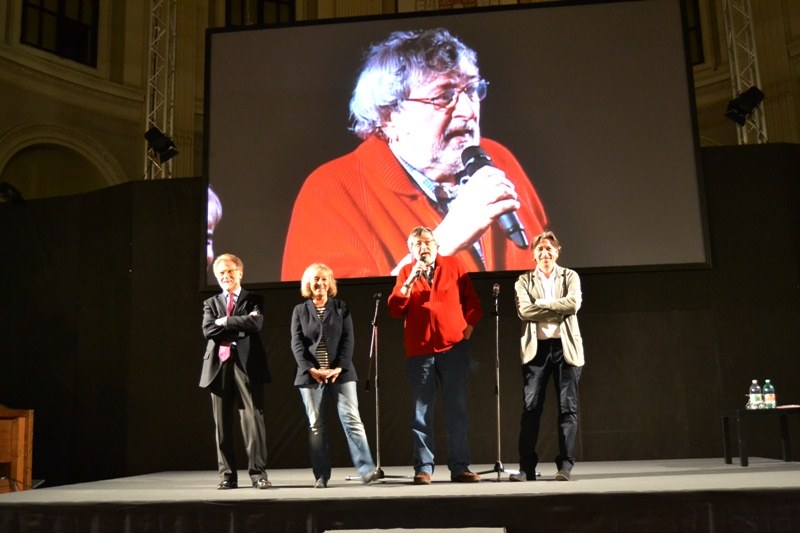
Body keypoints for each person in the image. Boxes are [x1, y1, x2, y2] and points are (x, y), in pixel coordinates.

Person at [281, 27, 548, 280]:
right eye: (444, 96)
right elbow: (337, 320)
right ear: (388, 115)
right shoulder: (331, 190)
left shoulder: (499, 160)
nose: (468, 110)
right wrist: (444, 242)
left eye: (471, 90)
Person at [387, 226, 483, 484]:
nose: (423, 247)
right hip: (420, 353)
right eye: (417, 244)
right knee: (421, 414)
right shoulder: (406, 272)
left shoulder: (453, 265)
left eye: (427, 242)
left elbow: (473, 303)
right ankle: (424, 469)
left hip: (453, 349)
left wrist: (467, 331)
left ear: (437, 245)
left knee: (457, 411)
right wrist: (407, 282)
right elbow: (395, 309)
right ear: (411, 250)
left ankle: (460, 468)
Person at [290, 263, 380, 488]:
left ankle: (367, 470)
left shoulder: (341, 307)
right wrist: (311, 369)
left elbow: (348, 340)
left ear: (330, 282)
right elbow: (297, 344)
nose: (319, 283)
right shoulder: (300, 311)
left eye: (323, 279)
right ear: (308, 284)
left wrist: (339, 366)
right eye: (314, 279)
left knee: (352, 420)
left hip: (341, 373)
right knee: (315, 426)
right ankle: (322, 475)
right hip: (311, 376)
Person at [510, 231, 584, 482]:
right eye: (540, 249)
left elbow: (573, 304)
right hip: (537, 352)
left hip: (566, 350)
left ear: (557, 251)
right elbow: (524, 312)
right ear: (533, 254)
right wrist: (556, 306)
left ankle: (565, 466)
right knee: (530, 409)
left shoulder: (570, 276)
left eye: (549, 249)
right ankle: (526, 468)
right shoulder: (523, 281)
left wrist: (542, 305)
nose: (545, 253)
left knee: (567, 409)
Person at [200, 253, 271, 489]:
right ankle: (227, 476)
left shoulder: (254, 299)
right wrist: (238, 323)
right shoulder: (210, 303)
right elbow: (209, 331)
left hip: (247, 365)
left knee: (252, 421)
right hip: (218, 367)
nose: (225, 276)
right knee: (222, 424)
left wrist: (225, 322)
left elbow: (255, 324)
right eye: (220, 273)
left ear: (240, 272)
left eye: (230, 271)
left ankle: (258, 474)